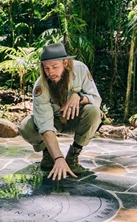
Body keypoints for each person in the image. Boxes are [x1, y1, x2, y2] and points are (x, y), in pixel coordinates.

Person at [19, 43, 102, 181]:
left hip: (76, 119)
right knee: (25, 126)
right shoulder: (40, 86)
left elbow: (96, 99)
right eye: (46, 68)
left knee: (93, 112)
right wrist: (58, 157)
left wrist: (80, 97)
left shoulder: (81, 69)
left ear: (66, 63)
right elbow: (45, 125)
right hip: (54, 122)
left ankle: (73, 156)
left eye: (55, 67)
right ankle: (48, 154)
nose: (50, 72)